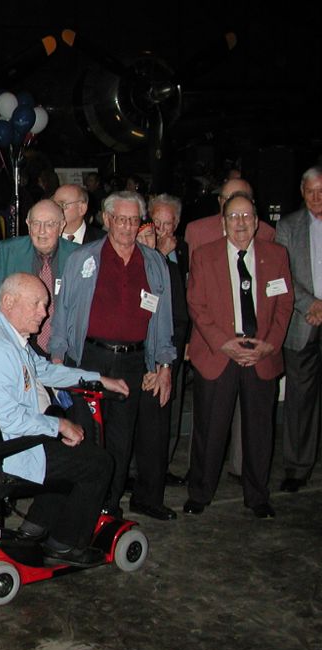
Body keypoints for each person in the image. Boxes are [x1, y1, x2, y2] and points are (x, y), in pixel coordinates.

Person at [0, 273, 126, 565]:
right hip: (7, 450)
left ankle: (36, 525)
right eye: (37, 304)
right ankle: (66, 544)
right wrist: (59, 425)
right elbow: (11, 418)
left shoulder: (5, 335)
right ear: (9, 302)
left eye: (45, 305)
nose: (44, 312)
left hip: (2, 442)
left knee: (71, 455)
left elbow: (44, 371)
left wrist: (98, 379)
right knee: (98, 464)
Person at [50, 191, 176, 520]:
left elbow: (163, 319)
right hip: (89, 358)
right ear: (107, 220)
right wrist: (58, 358)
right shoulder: (83, 259)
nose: (127, 227)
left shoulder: (154, 263)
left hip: (132, 362)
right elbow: (63, 312)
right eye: (121, 219)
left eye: (133, 220)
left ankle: (110, 504)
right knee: (86, 435)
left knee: (121, 438)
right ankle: (83, 505)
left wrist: (164, 364)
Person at [185, 193, 293, 518]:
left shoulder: (276, 255)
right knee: (209, 429)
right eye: (233, 217)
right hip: (218, 353)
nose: (240, 223)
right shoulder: (205, 256)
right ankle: (200, 493)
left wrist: (269, 344)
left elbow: (284, 304)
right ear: (223, 223)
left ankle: (257, 496)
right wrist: (224, 343)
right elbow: (196, 305)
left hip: (261, 353)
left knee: (259, 430)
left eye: (246, 216)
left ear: (257, 222)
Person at [277, 167, 322, 493]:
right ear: (302, 193)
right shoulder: (288, 226)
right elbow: (283, 275)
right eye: (310, 191)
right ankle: (296, 467)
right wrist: (311, 304)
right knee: (299, 400)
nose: (317, 197)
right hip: (303, 322)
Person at [0, 199, 77, 356]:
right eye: (36, 224)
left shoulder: (77, 255)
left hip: (66, 347)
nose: (42, 231)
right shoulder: (9, 251)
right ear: (28, 224)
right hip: (18, 346)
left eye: (50, 224)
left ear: (61, 226)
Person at [147, 194, 190, 486]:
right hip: (153, 341)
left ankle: (164, 465)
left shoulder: (185, 249)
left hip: (180, 337)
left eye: (168, 223)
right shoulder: (144, 249)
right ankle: (143, 470)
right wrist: (160, 254)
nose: (163, 230)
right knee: (153, 407)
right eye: (157, 223)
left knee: (173, 402)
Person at [184, 177, 276, 251]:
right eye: (228, 199)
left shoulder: (266, 233)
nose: (234, 205)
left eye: (240, 198)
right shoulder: (197, 232)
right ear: (219, 201)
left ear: (252, 203)